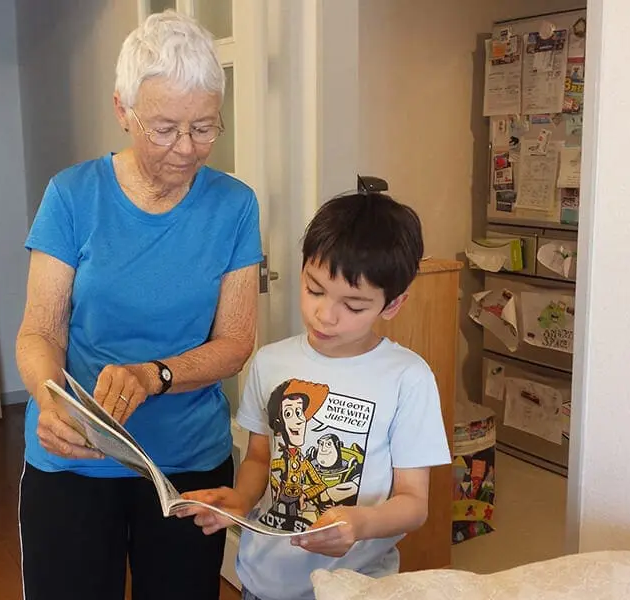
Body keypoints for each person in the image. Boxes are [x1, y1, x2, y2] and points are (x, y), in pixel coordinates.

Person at [15, 10, 262, 600]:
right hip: (73, 460)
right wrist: (51, 403)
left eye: (205, 127)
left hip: (187, 465)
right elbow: (39, 332)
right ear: (123, 110)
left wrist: (155, 376)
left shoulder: (235, 206)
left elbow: (234, 342)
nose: (187, 148)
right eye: (165, 128)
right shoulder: (72, 195)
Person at [181, 191, 451, 600]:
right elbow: (259, 458)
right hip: (262, 581)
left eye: (354, 305)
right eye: (315, 289)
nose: (326, 315)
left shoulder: (408, 378)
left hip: (354, 588)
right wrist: (239, 498)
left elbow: (414, 503)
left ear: (393, 304)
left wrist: (359, 524)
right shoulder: (270, 362)